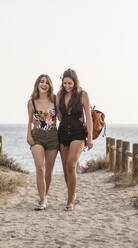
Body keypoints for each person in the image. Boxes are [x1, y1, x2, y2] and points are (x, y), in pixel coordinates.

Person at [56, 68, 93, 211]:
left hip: (78, 134)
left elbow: (88, 117)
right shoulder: (59, 95)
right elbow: (59, 117)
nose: (67, 86)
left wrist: (89, 138)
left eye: (70, 83)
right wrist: (68, 115)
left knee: (71, 165)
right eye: (65, 83)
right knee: (66, 169)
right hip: (63, 133)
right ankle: (73, 195)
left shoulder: (83, 95)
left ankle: (70, 201)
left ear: (75, 82)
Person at [27, 74, 59, 210]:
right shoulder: (32, 102)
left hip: (52, 136)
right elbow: (29, 121)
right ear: (37, 84)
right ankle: (43, 200)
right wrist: (28, 135)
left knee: (49, 171)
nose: (44, 84)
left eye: (46, 82)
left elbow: (61, 118)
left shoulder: (55, 99)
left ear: (50, 85)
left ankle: (44, 197)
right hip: (37, 136)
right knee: (40, 168)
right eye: (41, 82)